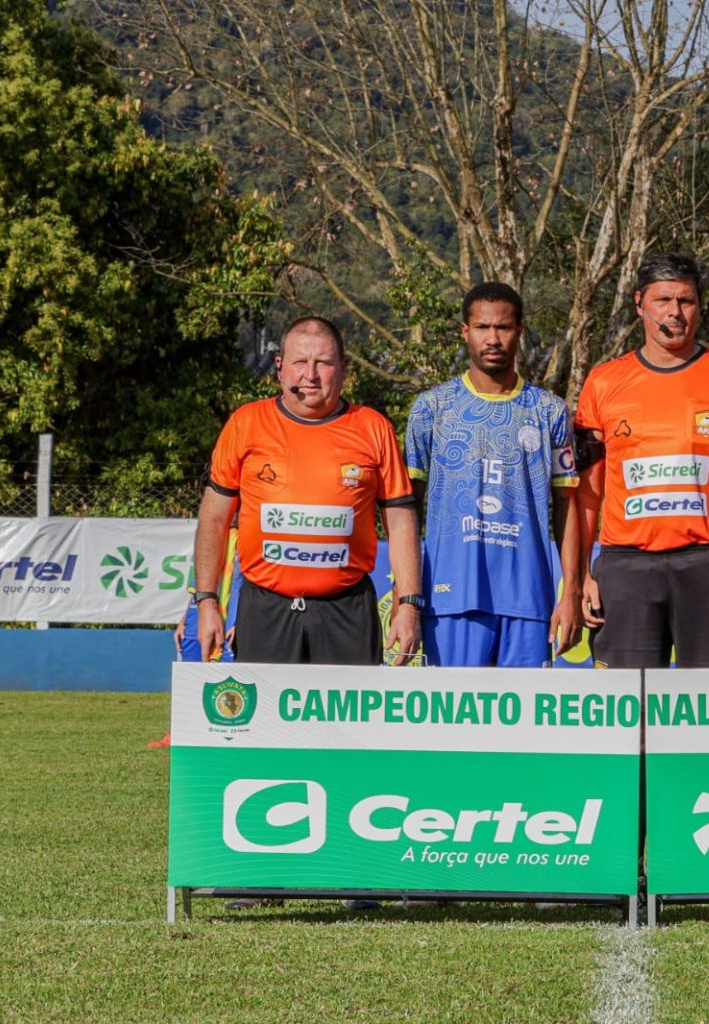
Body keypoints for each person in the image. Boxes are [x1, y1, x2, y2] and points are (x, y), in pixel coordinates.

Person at [192, 315, 422, 912]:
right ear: (280, 368)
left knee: (352, 740)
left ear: (344, 369)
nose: (311, 374)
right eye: (299, 361)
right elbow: (215, 517)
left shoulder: (372, 428)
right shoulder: (246, 424)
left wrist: (407, 601)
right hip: (265, 606)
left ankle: (356, 873)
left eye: (323, 362)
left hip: (346, 608)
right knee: (264, 739)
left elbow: (400, 519)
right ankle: (260, 875)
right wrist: (207, 599)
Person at [574, 252, 709, 668]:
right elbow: (587, 493)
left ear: (699, 305)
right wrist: (581, 573)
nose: (675, 312)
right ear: (640, 303)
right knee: (626, 703)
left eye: (686, 300)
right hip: (625, 568)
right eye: (663, 300)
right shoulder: (603, 381)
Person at [404, 282, 582, 666]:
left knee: (525, 708)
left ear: (519, 331)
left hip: (528, 601)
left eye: (503, 327)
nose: (493, 339)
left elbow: (567, 507)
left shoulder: (550, 411)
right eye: (482, 327)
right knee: (451, 706)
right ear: (465, 331)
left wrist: (571, 592)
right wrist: (409, 599)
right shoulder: (432, 408)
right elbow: (405, 512)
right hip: (449, 600)